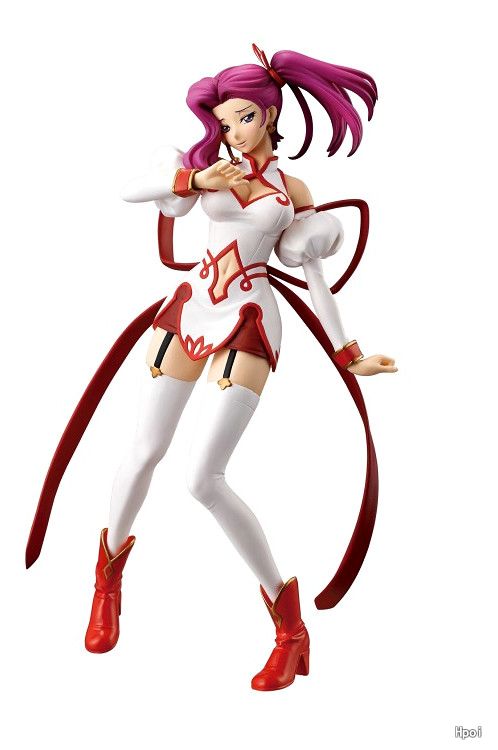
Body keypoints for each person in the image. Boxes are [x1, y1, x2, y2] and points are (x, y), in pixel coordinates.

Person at [26, 45, 396, 691]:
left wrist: (349, 352)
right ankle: (106, 584)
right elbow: (128, 192)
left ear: (270, 114)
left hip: (250, 319)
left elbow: (315, 277)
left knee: (203, 478)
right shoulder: (205, 169)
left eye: (244, 117)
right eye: (224, 121)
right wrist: (193, 182)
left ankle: (289, 628)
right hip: (190, 312)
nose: (233, 131)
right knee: (144, 451)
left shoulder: (292, 191)